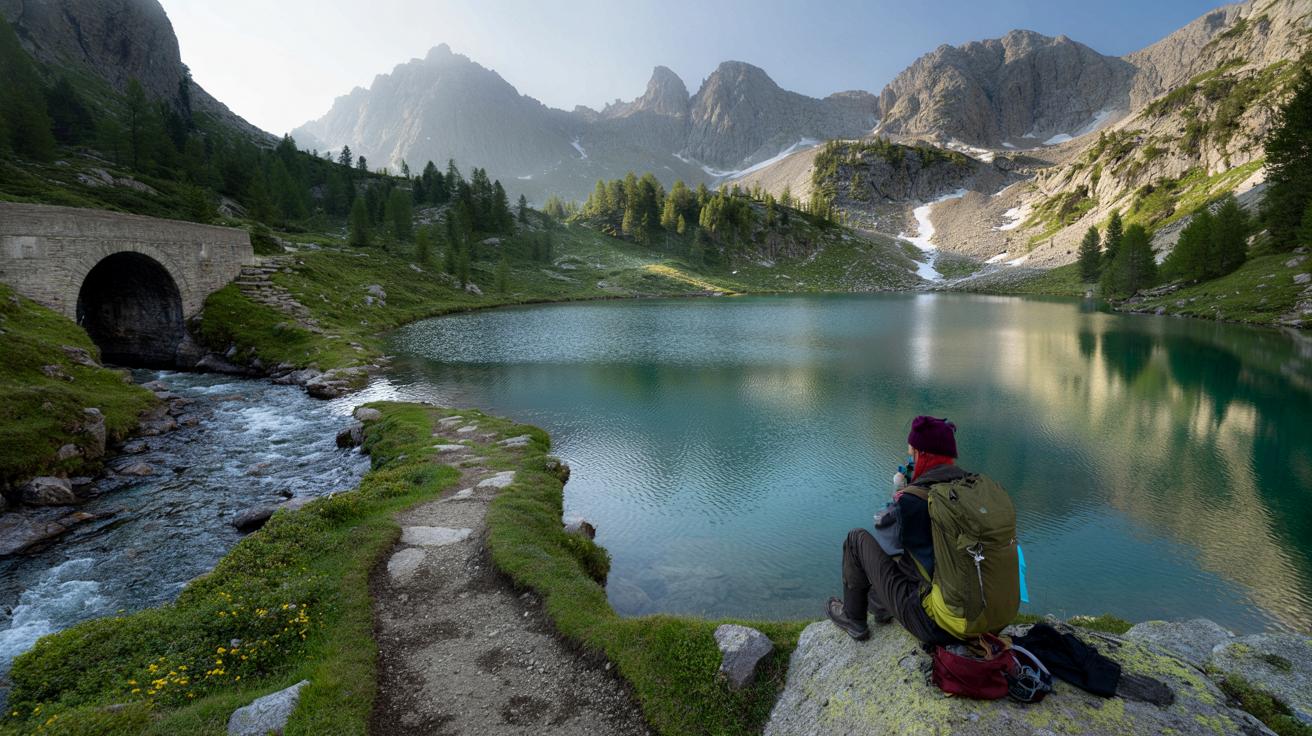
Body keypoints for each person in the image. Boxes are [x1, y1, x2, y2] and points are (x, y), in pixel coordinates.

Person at [827, 415, 965, 645]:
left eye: (912, 452)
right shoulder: (970, 488)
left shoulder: (914, 500)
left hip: (934, 623)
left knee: (856, 540)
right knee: (919, 555)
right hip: (976, 612)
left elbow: (887, 541)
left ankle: (853, 619)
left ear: (922, 454)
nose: (910, 456)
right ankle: (881, 606)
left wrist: (900, 495)